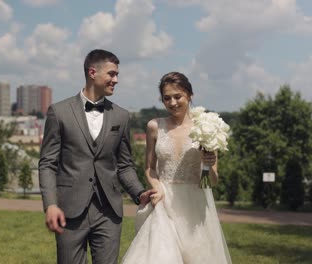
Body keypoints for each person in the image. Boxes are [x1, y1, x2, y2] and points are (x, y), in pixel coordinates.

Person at [39, 49, 152, 264]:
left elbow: (125, 165)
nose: (116, 80)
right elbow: (47, 164)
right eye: (111, 74)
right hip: (69, 212)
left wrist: (140, 193)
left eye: (116, 74)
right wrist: (51, 205)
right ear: (93, 72)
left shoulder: (121, 116)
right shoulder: (59, 112)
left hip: (109, 213)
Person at [121, 72, 232, 264]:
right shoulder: (154, 126)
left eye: (177, 96)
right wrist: (157, 188)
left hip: (195, 204)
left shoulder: (206, 127)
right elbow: (149, 168)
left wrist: (208, 162)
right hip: (164, 201)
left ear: (190, 95)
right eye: (166, 98)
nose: (172, 103)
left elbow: (212, 180)